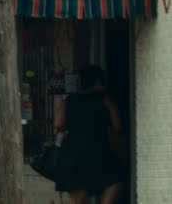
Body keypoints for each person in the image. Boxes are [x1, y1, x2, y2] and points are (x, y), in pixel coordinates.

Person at [53, 64, 125, 204]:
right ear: (99, 81)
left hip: (71, 155)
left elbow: (58, 124)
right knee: (116, 180)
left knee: (78, 196)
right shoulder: (105, 99)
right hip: (97, 152)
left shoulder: (70, 100)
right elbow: (118, 126)